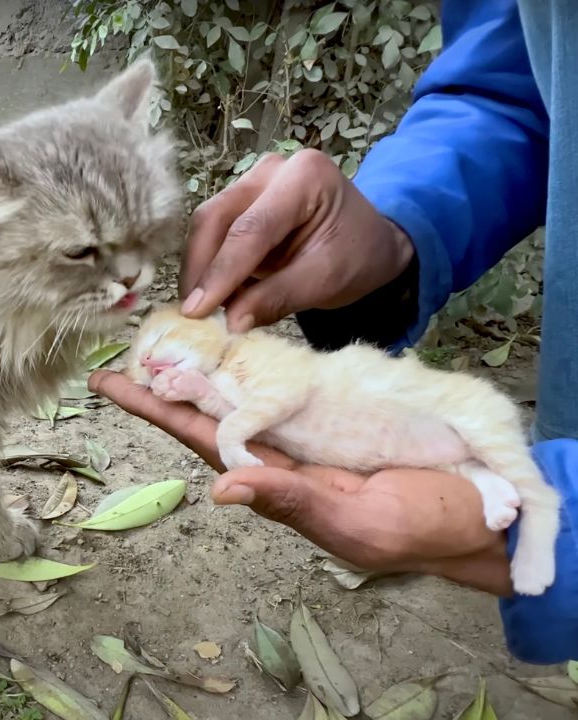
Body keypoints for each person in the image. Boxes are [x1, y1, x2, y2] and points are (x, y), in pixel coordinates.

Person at [91, 0, 577, 664]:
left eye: (151, 351)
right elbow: (512, 84)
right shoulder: (229, 367)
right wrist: (399, 223)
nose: (149, 369)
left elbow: (276, 397)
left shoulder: (251, 361)